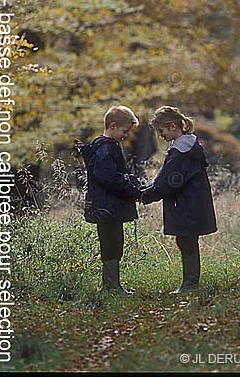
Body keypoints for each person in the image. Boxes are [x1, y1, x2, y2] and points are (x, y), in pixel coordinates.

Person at [141, 106, 217, 292]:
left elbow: (168, 182)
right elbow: (165, 179)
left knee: (187, 241)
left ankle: (190, 284)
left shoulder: (181, 152)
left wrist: (145, 195)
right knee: (186, 241)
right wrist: (148, 189)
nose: (160, 136)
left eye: (162, 131)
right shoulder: (183, 148)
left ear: (173, 126)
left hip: (187, 205)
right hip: (190, 204)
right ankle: (189, 282)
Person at [86, 105, 143, 294]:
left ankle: (111, 284)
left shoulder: (103, 146)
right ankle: (111, 286)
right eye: (124, 131)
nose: (126, 135)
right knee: (111, 243)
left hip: (106, 204)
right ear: (112, 126)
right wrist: (131, 187)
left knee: (114, 242)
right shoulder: (105, 148)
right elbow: (108, 177)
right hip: (107, 205)